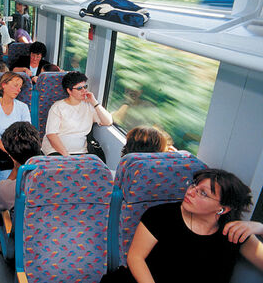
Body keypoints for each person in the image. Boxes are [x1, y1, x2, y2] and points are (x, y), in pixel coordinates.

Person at [104, 169, 263, 283]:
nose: (191, 192)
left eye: (203, 193)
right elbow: (136, 257)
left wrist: (260, 229)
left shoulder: (234, 233)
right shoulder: (160, 215)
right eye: (194, 185)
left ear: (222, 209)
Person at [0, 122, 42, 252]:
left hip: (26, 237)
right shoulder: (58, 170)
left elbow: (2, 199)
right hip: (50, 231)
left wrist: (15, 168)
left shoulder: (10, 188)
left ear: (11, 157)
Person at [42, 71, 113, 156]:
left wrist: (94, 102)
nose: (84, 91)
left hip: (80, 152)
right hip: (55, 150)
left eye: (85, 87)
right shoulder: (57, 107)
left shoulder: (89, 106)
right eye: (79, 88)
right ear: (69, 91)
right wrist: (67, 156)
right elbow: (51, 135)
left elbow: (108, 121)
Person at [0, 72, 32, 170]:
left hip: (20, 147)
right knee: (11, 180)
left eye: (20, 87)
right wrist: (11, 154)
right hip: (0, 147)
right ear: (4, 85)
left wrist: (18, 153)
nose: (18, 90)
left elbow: (27, 132)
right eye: (15, 85)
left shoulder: (23, 107)